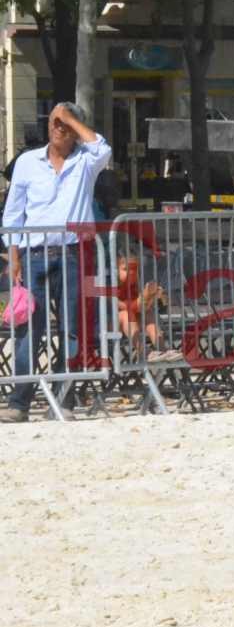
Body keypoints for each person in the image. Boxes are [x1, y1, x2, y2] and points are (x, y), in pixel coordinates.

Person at [2, 103, 112, 423]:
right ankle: (19, 401)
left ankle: (64, 398)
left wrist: (72, 119)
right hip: (34, 255)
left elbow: (100, 148)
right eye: (54, 122)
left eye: (65, 124)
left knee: (72, 330)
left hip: (73, 253)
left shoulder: (86, 161)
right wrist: (14, 257)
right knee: (27, 330)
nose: (58, 128)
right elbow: (13, 214)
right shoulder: (26, 162)